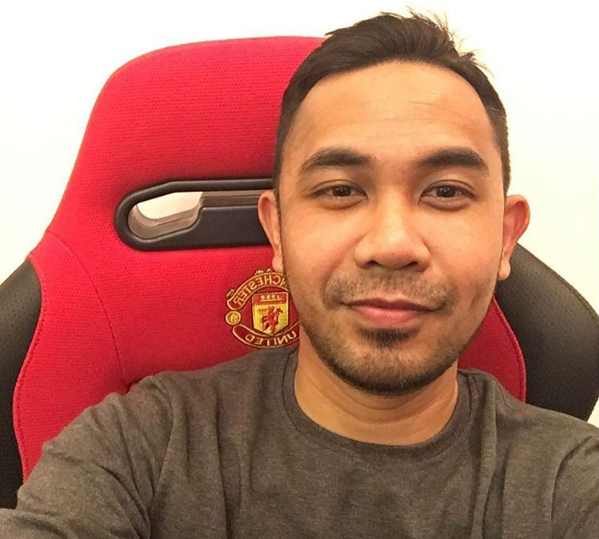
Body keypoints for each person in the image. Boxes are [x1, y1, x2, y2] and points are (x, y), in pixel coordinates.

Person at [0, 12, 597, 539]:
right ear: (278, 232)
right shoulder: (138, 446)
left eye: (445, 191)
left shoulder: (569, 481)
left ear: (505, 236)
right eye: (339, 190)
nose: (392, 245)